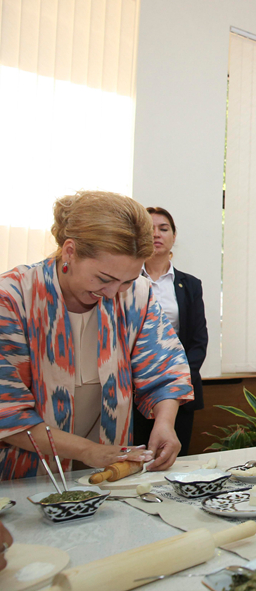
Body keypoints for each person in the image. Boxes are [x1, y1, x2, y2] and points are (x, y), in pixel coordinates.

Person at [0, 191, 193, 480]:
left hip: (107, 467)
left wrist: (165, 423)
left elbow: (164, 369)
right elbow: (7, 407)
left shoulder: (137, 296)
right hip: (23, 474)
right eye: (104, 279)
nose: (113, 293)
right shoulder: (13, 298)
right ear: (69, 251)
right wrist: (87, 451)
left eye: (126, 280)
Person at [132, 207, 208, 454]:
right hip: (133, 390)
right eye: (149, 228)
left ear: (174, 236)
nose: (156, 234)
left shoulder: (190, 284)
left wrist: (179, 379)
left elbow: (198, 341)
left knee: (174, 460)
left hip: (180, 392)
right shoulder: (125, 280)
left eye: (163, 229)